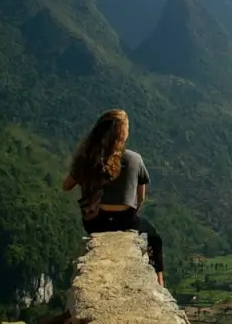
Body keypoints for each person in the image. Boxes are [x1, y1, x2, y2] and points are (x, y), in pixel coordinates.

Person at [61, 109, 166, 287]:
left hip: (94, 222)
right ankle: (160, 282)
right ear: (123, 133)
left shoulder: (89, 158)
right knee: (154, 238)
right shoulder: (135, 158)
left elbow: (66, 186)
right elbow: (140, 198)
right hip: (125, 222)